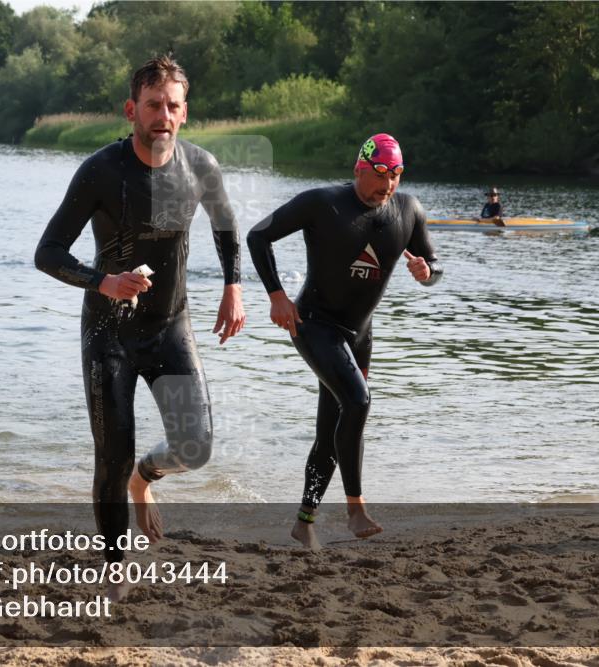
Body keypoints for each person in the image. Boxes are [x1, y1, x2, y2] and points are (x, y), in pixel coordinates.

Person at [35, 56, 245, 599]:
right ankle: (113, 567)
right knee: (112, 453)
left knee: (195, 447)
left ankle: (145, 480)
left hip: (170, 325)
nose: (163, 115)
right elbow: (47, 252)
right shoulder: (102, 171)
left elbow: (226, 228)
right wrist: (102, 281)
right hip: (109, 333)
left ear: (185, 113)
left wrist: (233, 287)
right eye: (153, 105)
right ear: (132, 110)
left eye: (173, 106)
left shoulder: (202, 166)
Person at [247, 133, 442, 549]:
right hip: (314, 325)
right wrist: (277, 296)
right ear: (359, 169)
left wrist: (429, 273)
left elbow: (435, 263)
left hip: (360, 336)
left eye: (394, 177)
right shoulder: (323, 203)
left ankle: (304, 520)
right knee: (358, 401)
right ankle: (355, 507)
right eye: (378, 176)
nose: (386, 186)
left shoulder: (409, 211)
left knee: (334, 430)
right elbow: (257, 236)